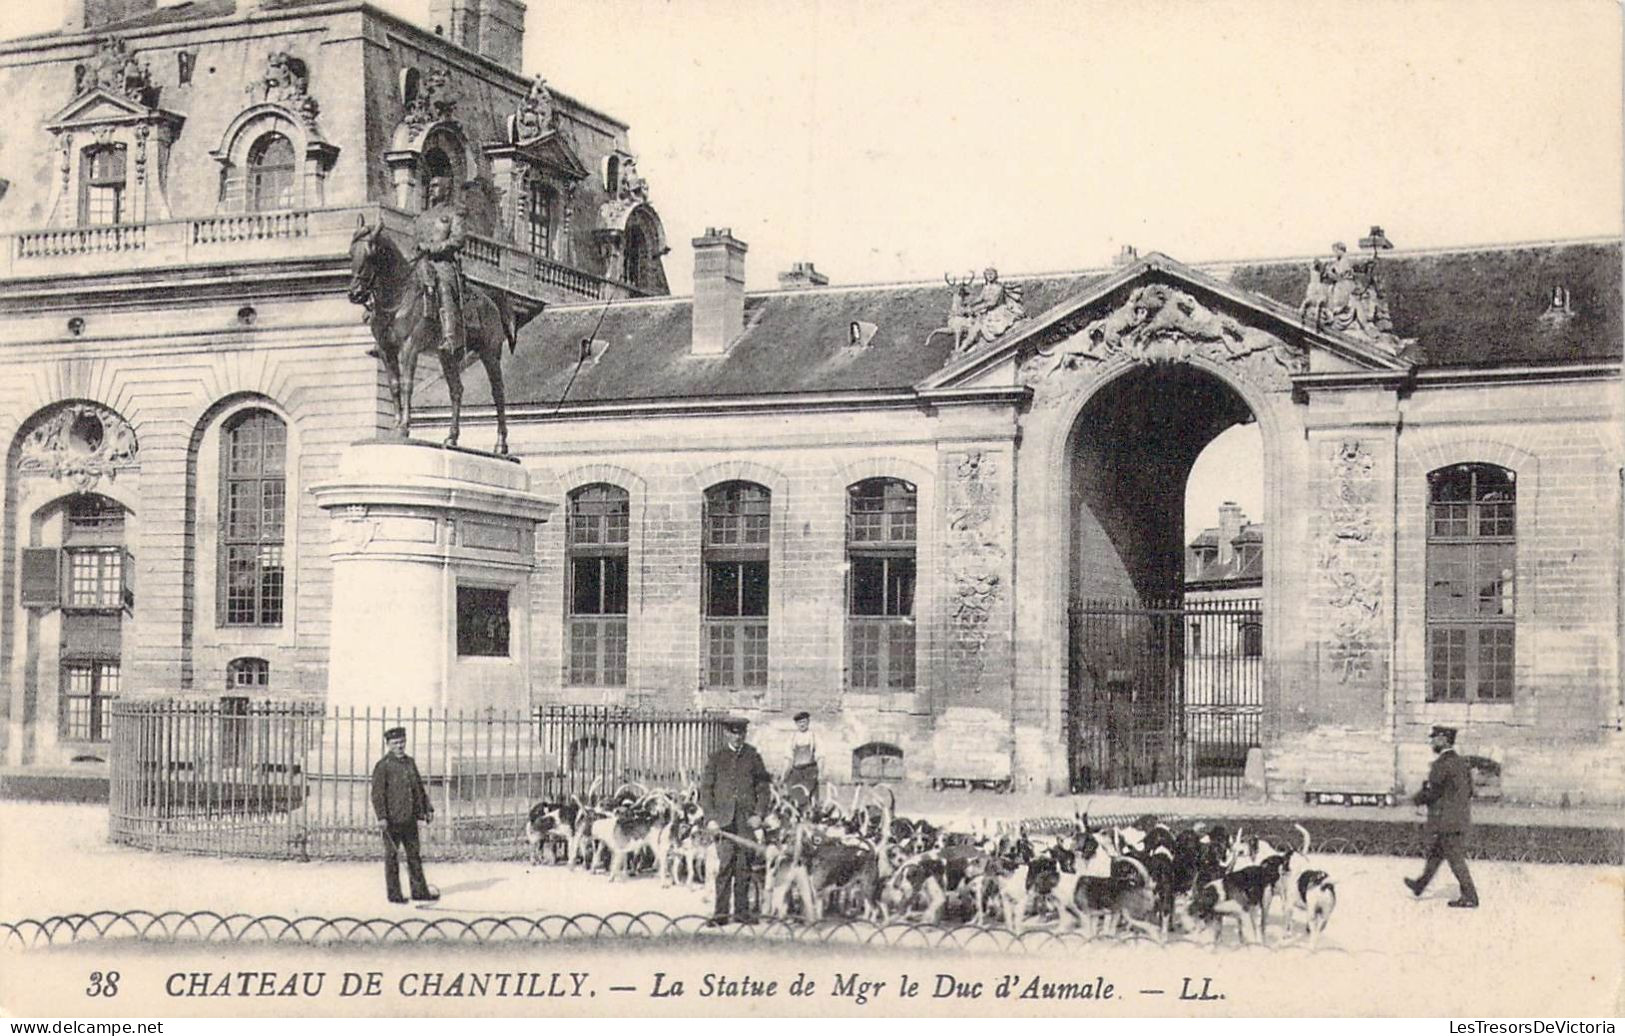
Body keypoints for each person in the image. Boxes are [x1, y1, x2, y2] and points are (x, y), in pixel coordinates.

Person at [699, 717, 772, 925]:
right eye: (733, 733)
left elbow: (764, 789)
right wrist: (711, 818)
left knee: (744, 867)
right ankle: (720, 915)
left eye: (741, 733)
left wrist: (759, 814)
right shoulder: (716, 758)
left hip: (746, 821)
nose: (737, 737)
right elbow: (706, 791)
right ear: (726, 734)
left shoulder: (753, 757)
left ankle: (742, 913)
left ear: (745, 734)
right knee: (724, 867)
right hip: (723, 822)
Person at [1405, 725, 1479, 908]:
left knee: (1455, 860)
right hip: (1460, 818)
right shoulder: (1463, 763)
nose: (1432, 742)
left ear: (1444, 740)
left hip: (1445, 821)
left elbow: (1432, 793)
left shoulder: (1440, 764)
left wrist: (1415, 799)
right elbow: (1470, 791)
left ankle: (1470, 896)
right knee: (1436, 854)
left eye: (1435, 738)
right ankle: (1420, 885)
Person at [371, 726, 438, 905]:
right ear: (388, 745)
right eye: (395, 743)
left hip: (409, 818)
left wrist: (427, 809)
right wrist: (382, 817)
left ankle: (419, 892)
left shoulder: (410, 762)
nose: (399, 746)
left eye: (402, 742)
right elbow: (377, 794)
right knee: (392, 857)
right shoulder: (383, 765)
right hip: (391, 820)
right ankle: (394, 895)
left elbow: (418, 789)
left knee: (414, 855)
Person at [413, 175, 467, 357]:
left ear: (446, 190)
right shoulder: (422, 217)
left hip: (443, 264)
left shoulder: (454, 214)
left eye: (436, 186)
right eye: (430, 185)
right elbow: (416, 242)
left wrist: (434, 248)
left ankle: (449, 336)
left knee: (443, 286)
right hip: (422, 263)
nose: (431, 189)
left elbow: (457, 240)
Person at [783, 711, 819, 811]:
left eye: (804, 722)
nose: (802, 724)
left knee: (809, 794)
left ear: (808, 722)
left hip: (809, 770)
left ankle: (810, 815)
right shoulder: (793, 737)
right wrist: (784, 773)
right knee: (793, 793)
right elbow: (788, 757)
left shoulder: (813, 736)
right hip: (796, 770)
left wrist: (821, 771)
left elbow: (820, 755)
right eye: (799, 723)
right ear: (796, 724)